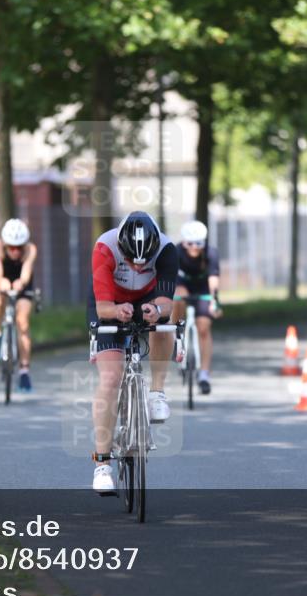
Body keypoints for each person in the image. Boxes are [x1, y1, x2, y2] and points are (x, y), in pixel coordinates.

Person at [87, 211, 177, 493]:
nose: (137, 268)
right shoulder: (105, 247)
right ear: (121, 248)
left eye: (143, 263)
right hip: (111, 303)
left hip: (148, 298)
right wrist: (116, 311)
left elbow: (166, 303)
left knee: (165, 324)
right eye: (130, 262)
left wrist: (157, 311)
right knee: (111, 378)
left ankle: (157, 392)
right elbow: (102, 309)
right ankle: (102, 464)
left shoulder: (166, 250)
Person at [0, 219, 38, 391]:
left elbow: (26, 272)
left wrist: (20, 283)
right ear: (5, 245)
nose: (15, 251)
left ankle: (24, 370)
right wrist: (2, 282)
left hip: (22, 283)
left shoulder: (30, 250)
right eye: (11, 248)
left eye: (19, 247)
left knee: (22, 322)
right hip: (3, 279)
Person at [173, 220, 221, 394]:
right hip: (182, 283)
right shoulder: (176, 252)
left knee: (204, 328)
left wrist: (214, 301)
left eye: (198, 243)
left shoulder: (211, 253)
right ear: (184, 242)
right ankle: (177, 336)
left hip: (203, 288)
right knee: (178, 299)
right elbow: (171, 278)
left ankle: (204, 374)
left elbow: (213, 279)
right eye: (189, 243)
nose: (194, 247)